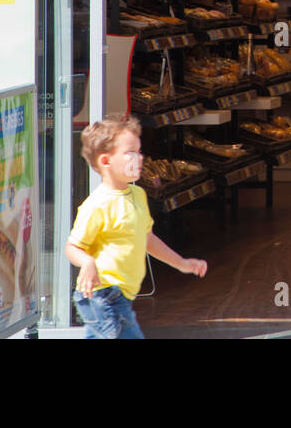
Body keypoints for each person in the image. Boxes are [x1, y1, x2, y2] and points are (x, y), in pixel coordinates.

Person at [65, 117, 207, 338]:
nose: (140, 158)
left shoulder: (138, 195)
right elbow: (73, 247)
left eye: (139, 151)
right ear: (105, 161)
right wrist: (87, 262)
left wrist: (182, 263)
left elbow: (148, 239)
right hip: (103, 296)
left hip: (119, 296)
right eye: (131, 152)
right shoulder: (97, 204)